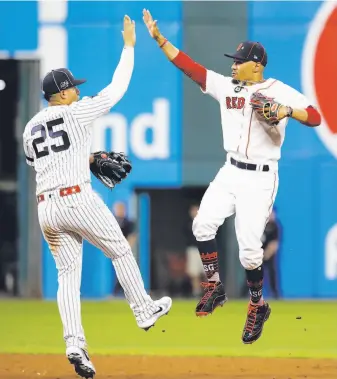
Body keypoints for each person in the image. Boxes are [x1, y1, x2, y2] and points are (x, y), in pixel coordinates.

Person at [142, 9, 321, 344]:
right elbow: (191, 69)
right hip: (230, 170)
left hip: (261, 178)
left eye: (240, 61)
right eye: (234, 60)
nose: (234, 65)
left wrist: (286, 110)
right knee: (202, 224)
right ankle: (214, 286)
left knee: (250, 253)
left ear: (257, 64)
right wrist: (160, 40)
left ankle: (257, 306)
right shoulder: (228, 87)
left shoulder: (279, 90)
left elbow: (314, 117)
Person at [22, 16, 172, 379]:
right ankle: (142, 310)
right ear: (61, 93)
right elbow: (116, 89)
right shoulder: (74, 112)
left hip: (47, 207)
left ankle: (74, 343)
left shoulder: (30, 126)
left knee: (67, 275)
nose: (77, 91)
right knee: (119, 249)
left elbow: (40, 162)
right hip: (77, 200)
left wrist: (87, 159)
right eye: (72, 87)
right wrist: (130, 46)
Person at [184, 204, 206, 297]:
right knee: (194, 272)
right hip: (193, 250)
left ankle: (209, 291)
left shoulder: (206, 223)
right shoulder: (188, 224)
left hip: (204, 249)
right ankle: (196, 292)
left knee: (207, 272)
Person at [262, 208, 281, 298]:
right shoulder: (260, 225)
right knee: (253, 273)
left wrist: (266, 255)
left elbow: (274, 244)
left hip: (269, 255)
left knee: (272, 272)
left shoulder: (275, 226)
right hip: (258, 254)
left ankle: (275, 293)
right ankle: (244, 294)